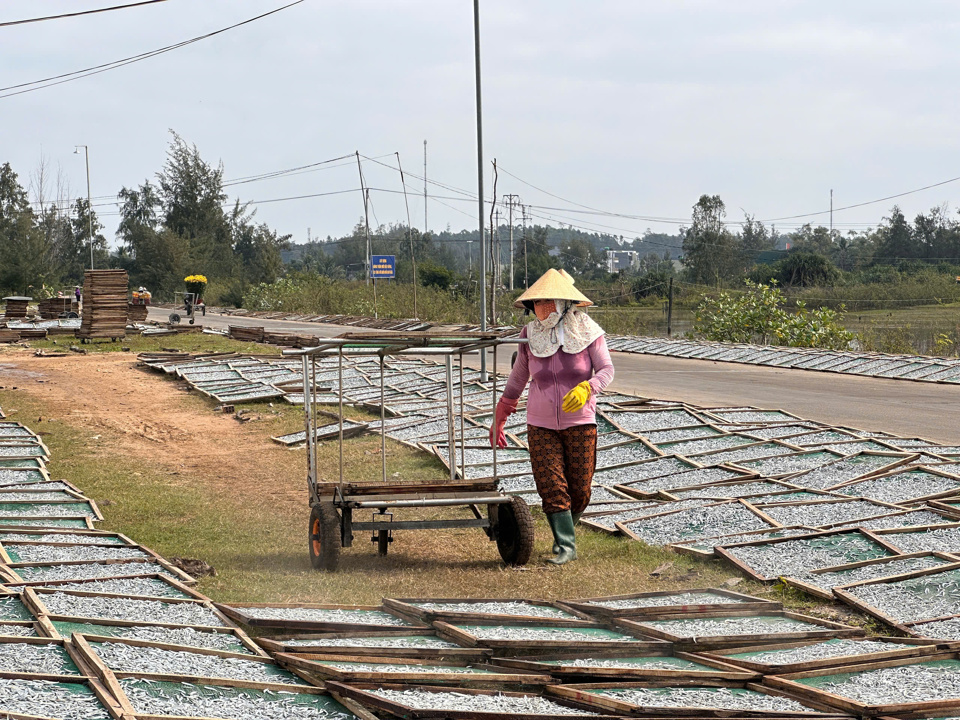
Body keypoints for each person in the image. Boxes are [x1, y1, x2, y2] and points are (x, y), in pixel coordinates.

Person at [490, 269, 614, 565]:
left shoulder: (588, 332)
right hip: (540, 422)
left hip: (581, 421)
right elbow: (518, 378)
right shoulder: (529, 335)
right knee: (551, 485)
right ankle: (565, 546)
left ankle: (565, 531)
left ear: (562, 302)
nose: (542, 309)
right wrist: (501, 415)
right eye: (537, 303)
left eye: (548, 302)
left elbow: (607, 370)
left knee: (580, 489)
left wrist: (588, 387)